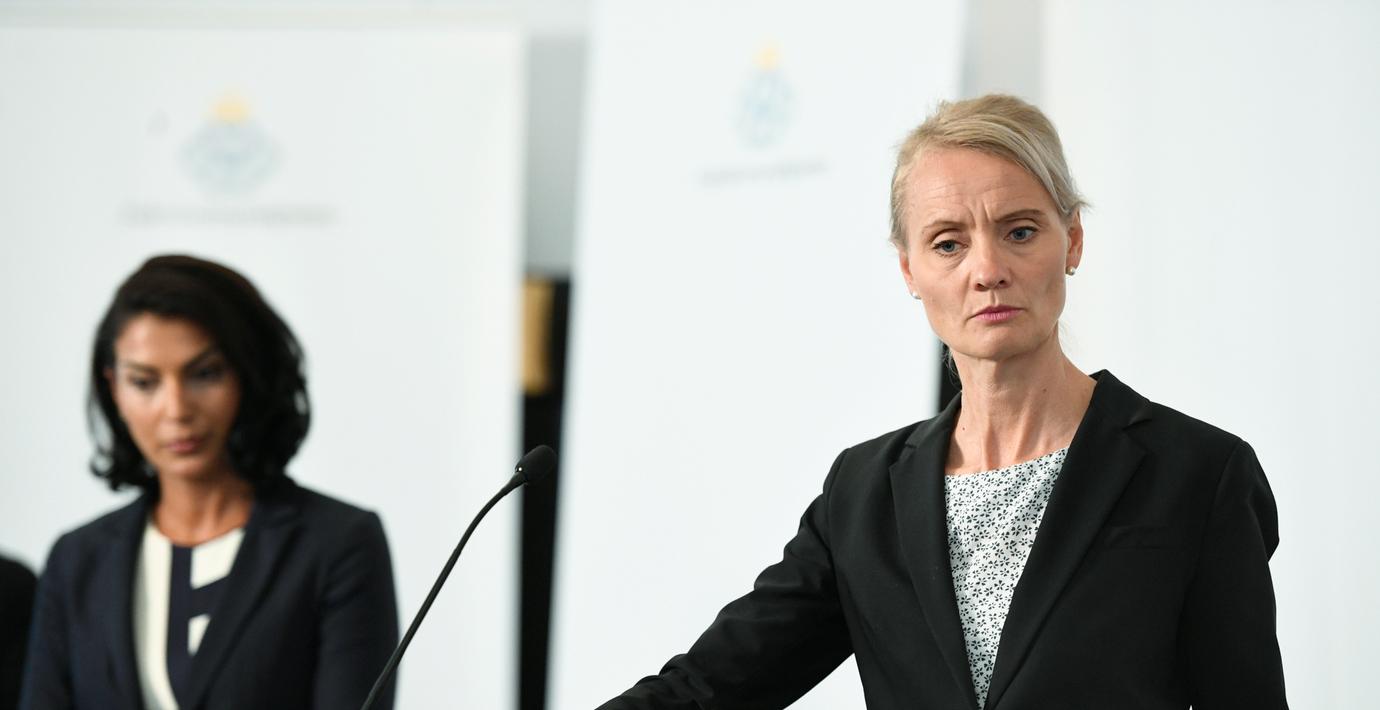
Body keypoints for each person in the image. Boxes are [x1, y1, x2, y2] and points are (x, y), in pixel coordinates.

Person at [598, 95, 1287, 709]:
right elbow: (712, 686)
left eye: (1020, 231)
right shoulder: (863, 493)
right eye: (948, 243)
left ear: (1072, 240)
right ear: (910, 269)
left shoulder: (1198, 473)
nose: (987, 270)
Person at [20, 255, 400, 710]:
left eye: (205, 374)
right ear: (113, 388)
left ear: (249, 374)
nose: (177, 409)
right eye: (144, 382)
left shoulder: (338, 544)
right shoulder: (77, 560)